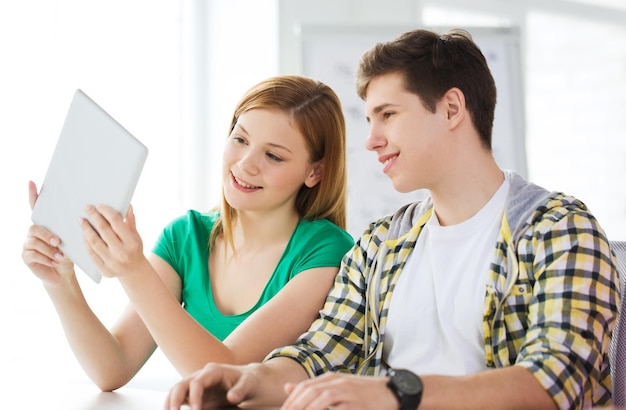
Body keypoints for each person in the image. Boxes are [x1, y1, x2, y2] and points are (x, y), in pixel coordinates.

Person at [164, 28, 620, 410]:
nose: (371, 140)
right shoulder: (381, 244)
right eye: (368, 119)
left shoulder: (558, 230)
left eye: (387, 115)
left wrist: (397, 393)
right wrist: (242, 381)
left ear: (452, 109)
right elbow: (317, 354)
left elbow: (553, 381)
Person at [21, 75, 354, 392]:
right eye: (240, 139)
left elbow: (226, 377)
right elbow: (112, 367)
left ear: (315, 171)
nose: (246, 164)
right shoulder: (186, 237)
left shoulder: (328, 251)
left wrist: (134, 271)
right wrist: (60, 280)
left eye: (273, 155)